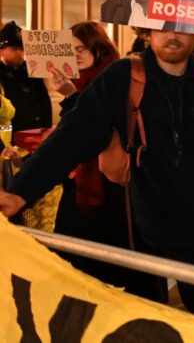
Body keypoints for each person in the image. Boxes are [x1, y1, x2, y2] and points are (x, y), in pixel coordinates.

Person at [0, 26, 194, 319]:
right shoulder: (122, 76)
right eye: (161, 26)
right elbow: (72, 136)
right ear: (146, 31)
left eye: (181, 25)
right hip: (145, 232)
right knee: (145, 323)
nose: (171, 34)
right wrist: (20, 191)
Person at [47, 22, 162, 298]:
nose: (75, 55)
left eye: (81, 48)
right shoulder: (76, 83)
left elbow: (96, 129)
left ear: (98, 48)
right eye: (70, 49)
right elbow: (71, 137)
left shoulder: (116, 78)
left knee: (118, 275)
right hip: (82, 192)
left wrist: (72, 98)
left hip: (113, 192)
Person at [0, 21, 52, 133]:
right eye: (14, 49)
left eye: (22, 49)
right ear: (2, 50)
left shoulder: (31, 71)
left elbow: (44, 103)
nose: (19, 53)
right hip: (11, 141)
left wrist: (45, 130)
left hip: (35, 137)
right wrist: (8, 138)